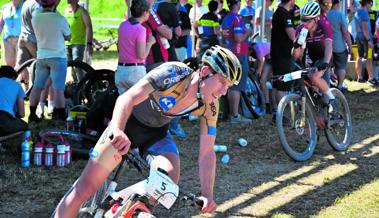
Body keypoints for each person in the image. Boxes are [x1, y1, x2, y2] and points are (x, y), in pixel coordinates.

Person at [53, 45, 241, 218]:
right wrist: (117, 130)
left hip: (156, 135)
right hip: (126, 125)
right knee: (84, 188)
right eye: (223, 82)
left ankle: (122, 209)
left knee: (168, 181)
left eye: (229, 87)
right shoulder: (174, 73)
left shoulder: (211, 105)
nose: (225, 91)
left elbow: (207, 152)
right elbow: (126, 99)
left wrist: (207, 194)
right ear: (206, 72)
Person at [28, 0, 71, 122]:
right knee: (58, 88)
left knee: (37, 86)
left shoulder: (35, 18)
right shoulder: (59, 18)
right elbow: (68, 36)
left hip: (41, 56)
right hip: (58, 57)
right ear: (55, 3)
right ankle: (61, 116)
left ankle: (32, 114)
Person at [292, 2, 336, 111]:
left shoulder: (324, 24)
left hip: (325, 56)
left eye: (308, 20)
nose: (304, 23)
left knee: (315, 77)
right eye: (303, 19)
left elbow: (329, 46)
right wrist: (296, 45)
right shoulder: (301, 29)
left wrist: (325, 62)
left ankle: (332, 103)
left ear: (316, 19)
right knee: (307, 86)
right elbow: (296, 56)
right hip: (310, 58)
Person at [222, 0, 253, 124]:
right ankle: (234, 115)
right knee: (237, 85)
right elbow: (239, 38)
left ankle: (232, 113)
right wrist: (248, 32)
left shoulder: (226, 18)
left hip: (229, 53)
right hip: (238, 54)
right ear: (238, 4)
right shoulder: (236, 18)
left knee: (231, 84)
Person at [116, 0, 155, 95]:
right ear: (145, 12)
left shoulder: (122, 25)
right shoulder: (141, 29)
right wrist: (149, 43)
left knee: (125, 106)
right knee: (142, 105)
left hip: (121, 70)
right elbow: (141, 55)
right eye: (149, 11)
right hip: (135, 71)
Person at [270, 0, 295, 120]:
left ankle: (276, 112)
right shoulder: (284, 13)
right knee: (282, 85)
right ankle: (281, 115)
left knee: (276, 83)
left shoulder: (277, 12)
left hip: (277, 54)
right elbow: (292, 35)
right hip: (283, 55)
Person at [65, 0, 93, 83]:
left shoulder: (83, 12)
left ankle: (82, 85)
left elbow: (89, 28)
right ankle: (76, 85)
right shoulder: (66, 11)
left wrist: (89, 43)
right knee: (70, 66)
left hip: (78, 44)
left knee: (77, 65)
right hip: (67, 43)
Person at [327, 0, 353, 91]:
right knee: (341, 66)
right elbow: (345, 33)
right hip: (339, 46)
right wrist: (350, 46)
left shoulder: (326, 14)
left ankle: (329, 83)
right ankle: (340, 86)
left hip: (327, 46)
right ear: (337, 4)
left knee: (328, 66)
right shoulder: (340, 15)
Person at [15, 0, 40, 91]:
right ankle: (41, 95)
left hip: (23, 38)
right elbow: (37, 23)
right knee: (43, 66)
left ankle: (21, 90)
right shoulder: (36, 5)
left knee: (19, 67)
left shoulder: (26, 3)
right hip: (33, 40)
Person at [354, 0, 378, 85]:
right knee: (369, 57)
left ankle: (359, 77)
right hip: (366, 38)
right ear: (367, 3)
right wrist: (369, 41)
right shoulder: (364, 13)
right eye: (370, 4)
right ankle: (371, 79)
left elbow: (357, 28)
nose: (371, 6)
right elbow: (364, 29)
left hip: (359, 36)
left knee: (359, 57)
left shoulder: (357, 12)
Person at [0, 65, 28, 136]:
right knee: (26, 127)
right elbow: (22, 114)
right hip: (4, 120)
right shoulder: (17, 85)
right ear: (12, 77)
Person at [0, 0, 24, 68]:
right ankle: (12, 78)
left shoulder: (25, 7)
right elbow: (1, 24)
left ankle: (23, 79)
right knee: (9, 65)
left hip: (20, 40)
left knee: (21, 65)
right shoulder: (5, 7)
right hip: (7, 41)